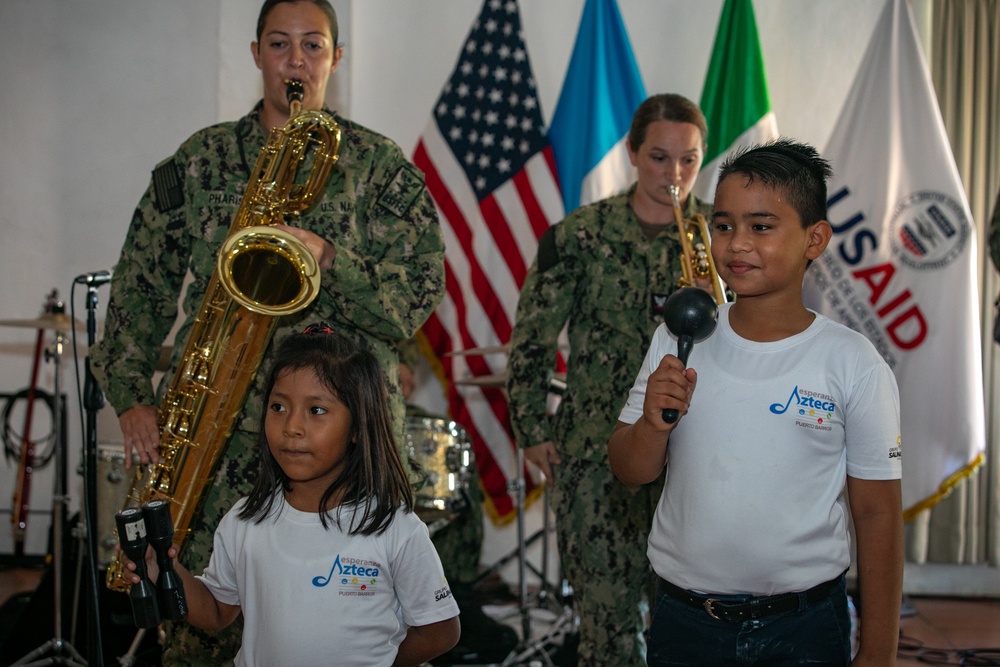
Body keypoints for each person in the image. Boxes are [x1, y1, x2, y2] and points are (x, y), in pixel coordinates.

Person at [90, 0, 444, 663]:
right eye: (280, 45)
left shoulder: (379, 167)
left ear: (337, 59)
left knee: (344, 621)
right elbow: (142, 284)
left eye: (314, 45)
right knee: (199, 629)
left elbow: (415, 302)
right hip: (216, 437)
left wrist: (330, 260)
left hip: (346, 446)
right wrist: (132, 393)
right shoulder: (200, 162)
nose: (297, 60)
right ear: (256, 54)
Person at [608, 139, 904, 666]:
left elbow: (878, 513)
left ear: (815, 239)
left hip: (805, 626)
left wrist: (879, 651)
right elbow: (630, 470)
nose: (737, 244)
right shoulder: (679, 338)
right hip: (685, 622)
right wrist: (653, 423)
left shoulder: (852, 363)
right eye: (724, 226)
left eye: (761, 227)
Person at [505, 93, 712, 666]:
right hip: (594, 455)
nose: (674, 174)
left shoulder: (717, 242)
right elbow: (533, 338)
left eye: (689, 160)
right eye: (659, 157)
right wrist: (530, 427)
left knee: (687, 626)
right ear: (632, 153)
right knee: (608, 630)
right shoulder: (579, 235)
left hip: (693, 451)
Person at [121, 325, 460, 666]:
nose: (291, 427)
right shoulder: (244, 519)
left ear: (358, 426)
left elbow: (440, 631)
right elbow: (216, 611)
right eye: (278, 407)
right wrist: (161, 566)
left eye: (316, 411)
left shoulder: (394, 527)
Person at [397, 339, 519, 664]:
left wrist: (402, 363)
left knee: (448, 445)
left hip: (381, 393)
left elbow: (404, 334)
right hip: (343, 393)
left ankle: (456, 590)